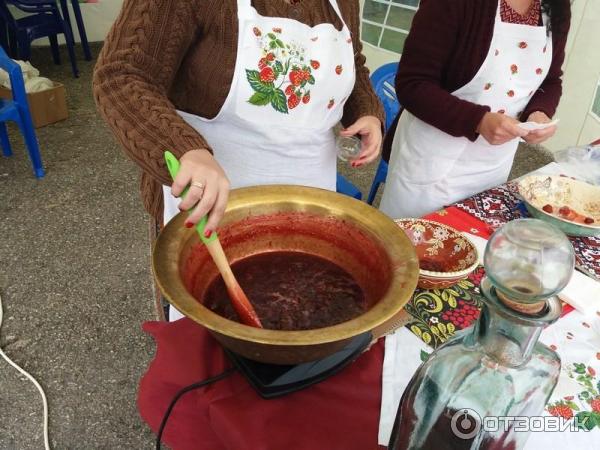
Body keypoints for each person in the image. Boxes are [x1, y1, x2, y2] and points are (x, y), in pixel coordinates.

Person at [93, 0, 384, 319]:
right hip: (210, 205)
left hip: (309, 203)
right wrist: (184, 149)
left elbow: (353, 58)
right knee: (203, 324)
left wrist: (366, 111)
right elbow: (122, 75)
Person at [379, 0, 571, 219]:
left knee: (473, 243)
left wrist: (539, 112)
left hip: (492, 164)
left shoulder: (556, 6)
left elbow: (551, 80)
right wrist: (478, 120)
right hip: (431, 161)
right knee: (413, 244)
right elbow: (412, 84)